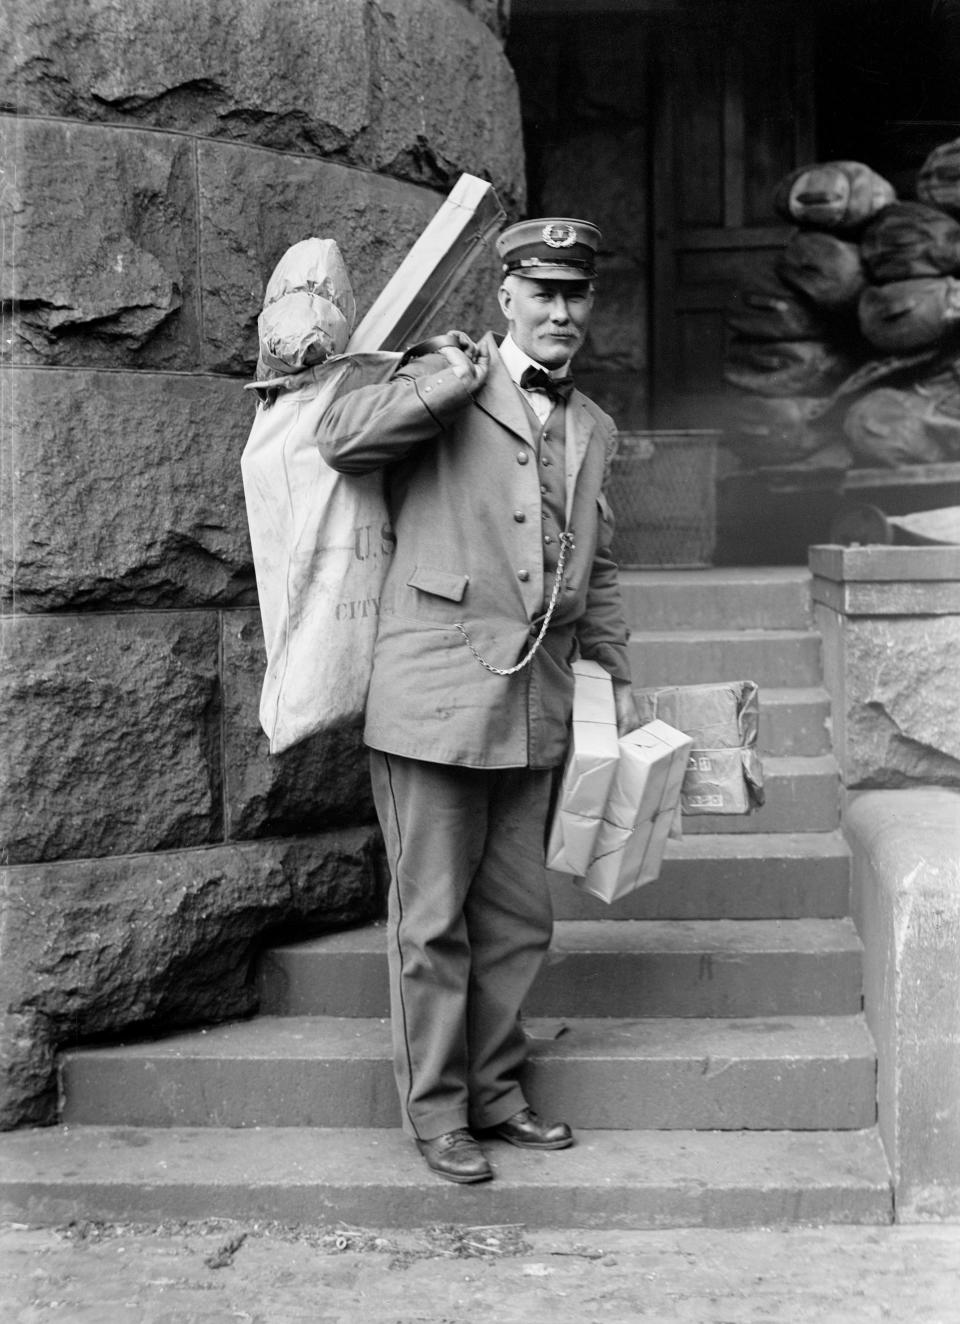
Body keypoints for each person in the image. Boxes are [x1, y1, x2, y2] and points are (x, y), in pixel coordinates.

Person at [315, 217, 638, 1184]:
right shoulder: (446, 377)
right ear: (505, 298)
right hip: (436, 695)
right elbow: (340, 439)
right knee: (431, 920)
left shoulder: (595, 427)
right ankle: (439, 1114)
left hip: (534, 701)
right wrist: (443, 381)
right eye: (542, 292)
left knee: (517, 921)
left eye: (576, 295)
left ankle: (497, 1095)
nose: (561, 312)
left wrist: (618, 679)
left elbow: (599, 564)